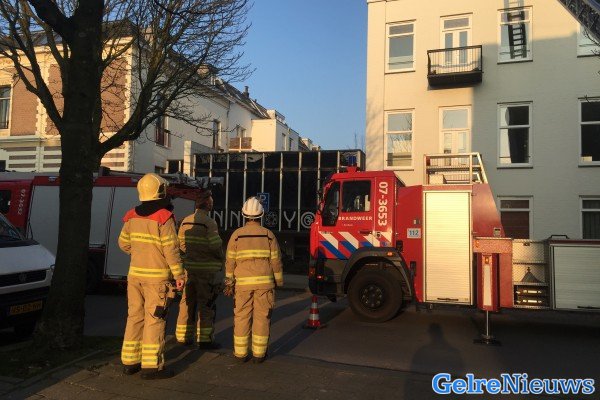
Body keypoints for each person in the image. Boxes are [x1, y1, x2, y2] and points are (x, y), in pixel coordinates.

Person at [118, 173, 185, 380]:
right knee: (155, 320)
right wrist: (179, 274)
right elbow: (171, 250)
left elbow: (123, 243)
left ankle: (130, 362)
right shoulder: (164, 217)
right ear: (160, 192)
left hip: (135, 276)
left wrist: (140, 254)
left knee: (134, 317)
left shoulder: (131, 215)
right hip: (157, 280)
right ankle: (151, 367)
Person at [223, 196, 283, 364]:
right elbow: (276, 261)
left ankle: (241, 354)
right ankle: (259, 354)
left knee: (241, 317)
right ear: (261, 215)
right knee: (262, 318)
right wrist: (279, 281)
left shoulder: (236, 235)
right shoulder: (268, 235)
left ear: (244, 215)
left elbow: (230, 262)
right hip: (265, 284)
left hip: (242, 284)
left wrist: (229, 283)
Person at [175, 189, 223, 348]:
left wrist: (191, 255)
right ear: (208, 204)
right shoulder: (210, 223)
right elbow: (215, 246)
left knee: (186, 303)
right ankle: (204, 340)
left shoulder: (185, 222)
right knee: (205, 305)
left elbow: (180, 245)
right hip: (205, 272)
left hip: (189, 270)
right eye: (211, 201)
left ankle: (183, 337)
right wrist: (220, 258)